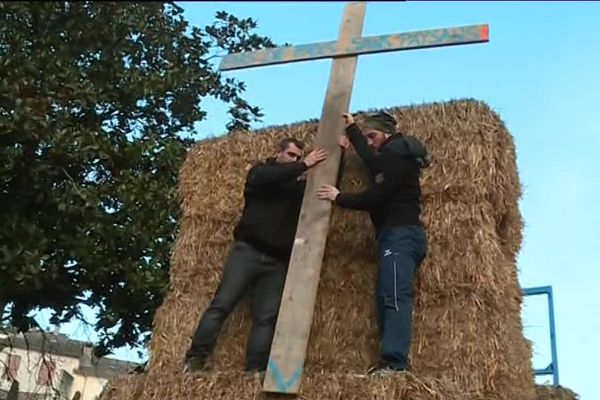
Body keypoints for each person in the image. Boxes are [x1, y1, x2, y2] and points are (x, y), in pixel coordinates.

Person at [184, 138, 327, 373]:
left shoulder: (294, 188)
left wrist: (338, 152)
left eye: (299, 157)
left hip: (277, 261)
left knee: (265, 317)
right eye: (291, 155)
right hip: (248, 251)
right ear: (278, 153)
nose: (296, 160)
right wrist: (305, 165)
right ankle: (195, 359)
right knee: (221, 305)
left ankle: (255, 370)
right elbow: (271, 177)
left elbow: (323, 188)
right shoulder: (260, 174)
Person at [317, 111, 430, 375]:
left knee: (393, 295)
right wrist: (354, 130)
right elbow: (372, 163)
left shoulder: (396, 153)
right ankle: (390, 361)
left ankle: (395, 363)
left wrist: (339, 196)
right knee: (386, 296)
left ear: (387, 135)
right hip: (396, 235)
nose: (370, 142)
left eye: (373, 136)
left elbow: (377, 196)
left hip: (401, 235)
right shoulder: (392, 156)